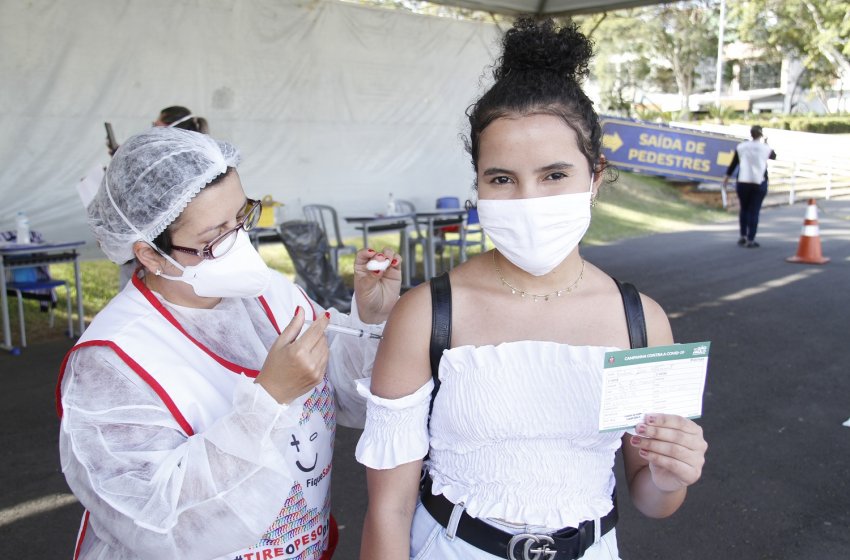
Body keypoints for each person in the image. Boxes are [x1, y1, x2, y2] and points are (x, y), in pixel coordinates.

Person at [355, 18, 708, 560]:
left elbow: (651, 497)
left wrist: (669, 473)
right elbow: (388, 509)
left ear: (594, 176)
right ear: (476, 184)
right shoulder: (426, 313)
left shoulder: (642, 320)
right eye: (502, 178)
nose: (527, 199)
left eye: (553, 175)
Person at [59, 126, 401, 558]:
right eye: (213, 238)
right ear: (148, 254)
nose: (240, 244)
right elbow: (157, 526)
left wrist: (370, 316)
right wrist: (268, 400)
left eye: (242, 218)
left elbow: (350, 398)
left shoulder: (269, 293)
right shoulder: (112, 361)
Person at [112, 105, 212, 288]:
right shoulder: (194, 160)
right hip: (159, 251)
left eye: (155, 125)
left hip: (167, 251)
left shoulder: (184, 165)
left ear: (171, 128)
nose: (152, 131)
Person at [722, 125, 776, 248]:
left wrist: (727, 177)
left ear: (751, 134)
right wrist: (766, 142)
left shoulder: (741, 146)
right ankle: (751, 238)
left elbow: (734, 163)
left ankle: (743, 235)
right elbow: (774, 156)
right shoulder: (765, 148)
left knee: (744, 209)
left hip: (743, 181)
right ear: (761, 135)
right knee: (754, 210)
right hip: (759, 182)